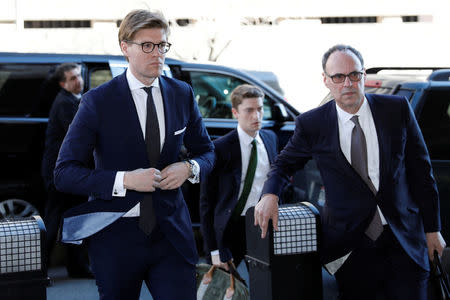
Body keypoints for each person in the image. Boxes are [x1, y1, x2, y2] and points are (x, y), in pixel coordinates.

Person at [254, 44, 446, 300]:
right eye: (338, 77)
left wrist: (433, 229)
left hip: (403, 240)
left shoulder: (396, 110)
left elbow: (422, 173)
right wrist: (270, 195)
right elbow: (283, 165)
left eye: (354, 75)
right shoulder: (313, 124)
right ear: (326, 81)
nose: (348, 83)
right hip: (351, 247)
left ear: (363, 75)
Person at [53, 9, 214, 300]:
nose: (157, 54)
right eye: (147, 46)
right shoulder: (97, 102)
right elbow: (64, 173)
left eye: (162, 45)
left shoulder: (182, 93)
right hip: (115, 237)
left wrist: (189, 168)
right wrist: (125, 180)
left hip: (172, 236)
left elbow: (207, 153)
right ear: (125, 47)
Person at [200, 84, 277, 271]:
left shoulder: (270, 138)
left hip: (261, 225)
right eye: (249, 110)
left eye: (260, 109)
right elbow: (206, 203)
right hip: (230, 227)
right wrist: (214, 250)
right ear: (235, 112)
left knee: (266, 287)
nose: (256, 116)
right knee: (225, 288)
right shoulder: (220, 148)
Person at [41, 63, 92, 278]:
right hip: (60, 174)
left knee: (75, 220)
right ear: (63, 83)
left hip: (71, 172)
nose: (78, 80)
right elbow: (81, 134)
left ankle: (77, 267)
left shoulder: (74, 100)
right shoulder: (65, 104)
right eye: (72, 78)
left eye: (78, 76)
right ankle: (40, 270)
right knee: (53, 223)